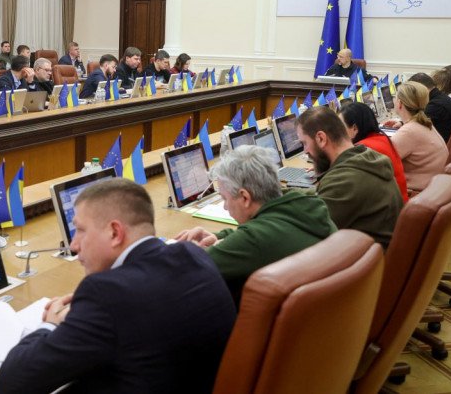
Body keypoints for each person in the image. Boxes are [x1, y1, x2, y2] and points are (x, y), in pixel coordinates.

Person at [0, 178, 236, 394]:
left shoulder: (105, 294)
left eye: (80, 230)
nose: (73, 245)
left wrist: (50, 324)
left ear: (115, 232)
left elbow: (13, 383)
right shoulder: (194, 254)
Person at [175, 146, 336, 305]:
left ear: (245, 197)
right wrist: (221, 237)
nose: (225, 206)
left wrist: (191, 248)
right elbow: (265, 232)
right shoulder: (306, 205)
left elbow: (185, 273)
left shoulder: (254, 240)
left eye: (225, 198)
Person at [296, 106, 402, 248]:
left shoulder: (343, 181)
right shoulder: (367, 157)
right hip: (379, 254)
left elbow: (307, 235)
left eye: (304, 143)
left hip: (370, 260)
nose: (305, 151)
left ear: (321, 138)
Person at [341, 102, 408, 203]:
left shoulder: (362, 149)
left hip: (391, 208)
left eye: (341, 127)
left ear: (354, 128)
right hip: (400, 202)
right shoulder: (383, 138)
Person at [389, 81, 449, 192]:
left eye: (395, 97)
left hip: (416, 194)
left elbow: (380, 164)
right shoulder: (425, 123)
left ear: (400, 103)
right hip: (434, 190)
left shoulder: (409, 131)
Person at [407, 72, 451, 142]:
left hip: (443, 144)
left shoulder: (436, 105)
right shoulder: (440, 98)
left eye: (413, 91)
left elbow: (415, 128)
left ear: (421, 88)